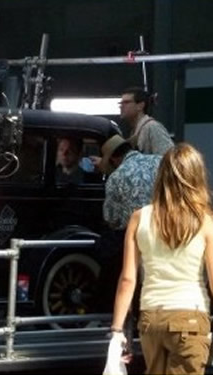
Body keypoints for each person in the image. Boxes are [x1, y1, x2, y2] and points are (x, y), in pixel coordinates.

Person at [111, 143, 213, 375]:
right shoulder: (205, 222)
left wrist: (117, 330)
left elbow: (128, 280)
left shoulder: (138, 219)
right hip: (190, 316)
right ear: (196, 177)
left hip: (150, 318)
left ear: (162, 176)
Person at [96, 134, 161, 312]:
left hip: (137, 239)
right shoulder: (159, 161)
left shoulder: (116, 178)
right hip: (166, 234)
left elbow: (111, 218)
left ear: (115, 159)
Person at [120, 86, 174, 155]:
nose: (121, 106)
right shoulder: (134, 131)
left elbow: (169, 158)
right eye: (121, 103)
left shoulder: (153, 127)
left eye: (126, 102)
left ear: (140, 106)